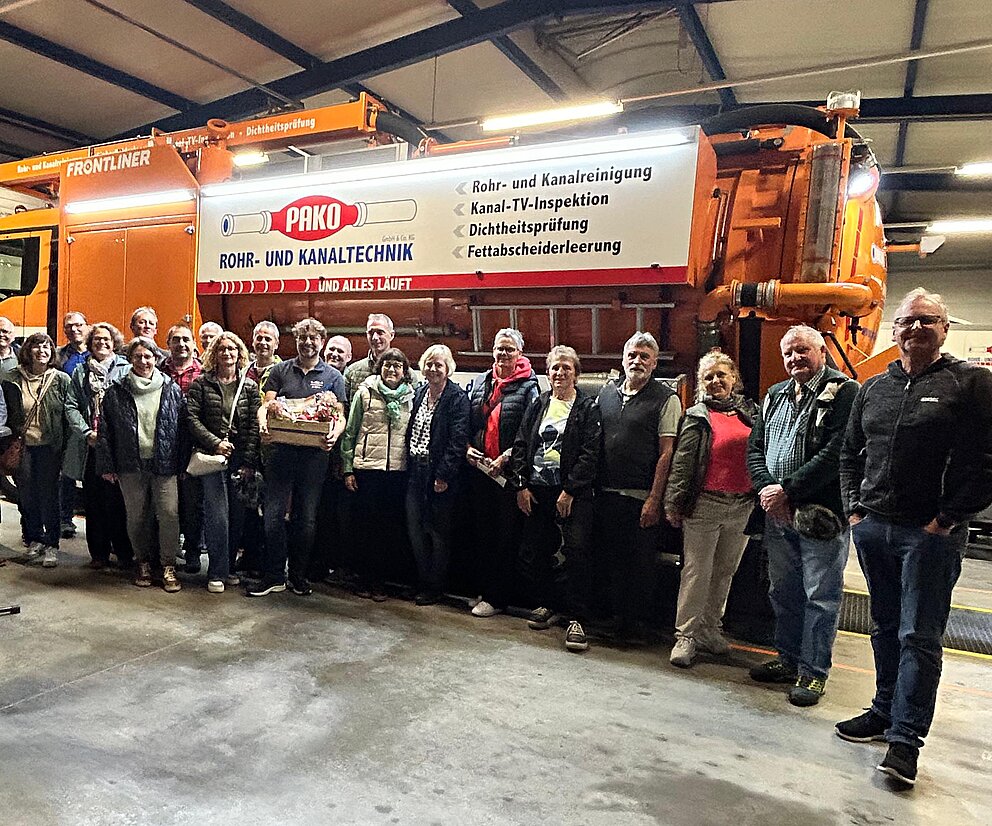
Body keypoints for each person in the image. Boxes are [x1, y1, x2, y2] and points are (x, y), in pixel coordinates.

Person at [836, 289, 992, 787]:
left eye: (928, 321)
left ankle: (906, 741)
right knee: (883, 627)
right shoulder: (874, 388)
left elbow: (988, 459)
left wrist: (947, 517)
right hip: (874, 526)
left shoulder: (969, 384)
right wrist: (854, 510)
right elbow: (850, 453)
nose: (915, 328)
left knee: (918, 636)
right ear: (895, 330)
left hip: (929, 534)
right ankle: (883, 712)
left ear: (945, 328)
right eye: (907, 321)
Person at [746, 325, 859, 706]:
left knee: (820, 597)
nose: (795, 358)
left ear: (822, 352)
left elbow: (836, 453)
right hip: (777, 514)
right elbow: (756, 447)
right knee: (784, 591)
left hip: (819, 516)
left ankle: (813, 673)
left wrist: (787, 491)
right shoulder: (775, 394)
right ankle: (788, 658)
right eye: (789, 353)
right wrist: (767, 490)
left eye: (803, 351)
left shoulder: (844, 392)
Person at [664, 352, 757, 667]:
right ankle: (686, 636)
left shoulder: (750, 413)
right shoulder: (696, 416)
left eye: (721, 375)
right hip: (705, 504)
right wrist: (673, 503)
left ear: (733, 378)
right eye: (708, 377)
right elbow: (682, 463)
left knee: (723, 572)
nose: (716, 381)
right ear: (701, 383)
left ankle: (709, 628)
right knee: (696, 572)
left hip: (742, 504)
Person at [509, 346, 600, 652]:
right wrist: (520, 485)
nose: (559, 373)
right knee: (536, 550)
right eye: (554, 368)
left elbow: (590, 453)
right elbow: (521, 443)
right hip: (537, 490)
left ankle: (577, 618)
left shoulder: (587, 407)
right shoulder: (538, 404)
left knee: (577, 552)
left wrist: (571, 489)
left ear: (576, 373)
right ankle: (548, 603)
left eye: (566, 368)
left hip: (572, 492)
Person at [595, 332, 681, 643]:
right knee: (610, 561)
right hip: (605, 494)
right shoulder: (606, 395)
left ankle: (637, 627)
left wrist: (655, 499)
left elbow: (667, 452)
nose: (637, 361)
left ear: (655, 362)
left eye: (645, 356)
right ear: (622, 358)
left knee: (640, 565)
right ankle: (614, 621)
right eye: (632, 354)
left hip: (640, 497)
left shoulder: (666, 399)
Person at [250, 317, 345, 597]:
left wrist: (334, 435)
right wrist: (263, 425)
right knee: (273, 515)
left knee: (306, 520)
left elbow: (339, 415)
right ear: (296, 341)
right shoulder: (281, 371)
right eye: (302, 338)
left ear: (321, 342)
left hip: (314, 458)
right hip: (281, 453)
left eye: (313, 338)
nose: (307, 343)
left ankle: (298, 576)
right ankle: (274, 575)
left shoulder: (333, 377)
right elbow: (266, 406)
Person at [96, 337, 184, 592]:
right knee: (137, 516)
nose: (144, 361)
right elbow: (105, 432)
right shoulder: (116, 391)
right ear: (130, 360)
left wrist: (180, 465)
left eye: (148, 357)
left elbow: (180, 430)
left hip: (164, 464)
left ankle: (168, 565)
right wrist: (107, 465)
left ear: (156, 359)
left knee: (168, 514)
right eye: (138, 357)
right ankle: (143, 562)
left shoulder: (171, 389)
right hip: (129, 464)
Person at [465, 328, 539, 617]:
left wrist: (506, 457)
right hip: (480, 471)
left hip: (508, 475)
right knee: (482, 533)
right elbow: (470, 422)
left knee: (504, 538)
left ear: (519, 353)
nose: (504, 354)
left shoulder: (528, 387)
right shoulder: (482, 382)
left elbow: (529, 431)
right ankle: (484, 590)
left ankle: (498, 598)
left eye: (510, 349)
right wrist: (467, 448)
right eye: (499, 348)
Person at [186, 332, 260, 594]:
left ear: (240, 354)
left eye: (232, 350)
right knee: (217, 515)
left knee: (236, 516)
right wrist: (215, 442)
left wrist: (248, 461)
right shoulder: (201, 384)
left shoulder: (249, 387)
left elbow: (254, 425)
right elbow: (192, 419)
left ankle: (228, 568)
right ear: (214, 354)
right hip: (212, 458)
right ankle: (216, 572)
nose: (227, 354)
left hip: (239, 459)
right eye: (222, 349)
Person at [341, 348, 415, 600]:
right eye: (387, 365)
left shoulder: (411, 397)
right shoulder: (365, 393)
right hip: (367, 469)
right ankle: (364, 579)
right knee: (365, 527)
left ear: (405, 372)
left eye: (397, 366)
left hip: (397, 471)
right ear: (379, 368)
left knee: (389, 528)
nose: (392, 370)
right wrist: (347, 468)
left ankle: (382, 582)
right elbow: (350, 432)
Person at [63, 323, 134, 569]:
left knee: (120, 501)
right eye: (96, 340)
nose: (102, 344)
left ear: (114, 343)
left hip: (117, 447)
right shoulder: (81, 372)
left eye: (106, 340)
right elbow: (70, 405)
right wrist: (86, 432)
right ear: (90, 344)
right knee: (94, 501)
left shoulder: (126, 370)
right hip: (90, 447)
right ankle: (99, 554)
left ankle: (125, 553)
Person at [405, 345, 469, 605]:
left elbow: (457, 440)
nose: (433, 369)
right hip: (415, 470)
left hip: (440, 474)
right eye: (429, 364)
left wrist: (443, 475)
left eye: (438, 365)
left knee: (438, 534)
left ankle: (435, 586)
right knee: (415, 528)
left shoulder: (456, 398)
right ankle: (422, 581)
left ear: (448, 369)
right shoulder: (419, 393)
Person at [1, 333, 70, 567]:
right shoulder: (11, 378)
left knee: (49, 495)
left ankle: (52, 543)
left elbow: (67, 416)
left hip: (50, 446)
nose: (42, 350)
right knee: (27, 495)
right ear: (28, 351)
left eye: (47, 347)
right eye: (37, 346)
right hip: (23, 446)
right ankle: (34, 539)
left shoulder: (61, 379)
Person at [311, 332, 354, 583]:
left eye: (341, 351)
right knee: (316, 513)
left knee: (337, 516)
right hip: (313, 457)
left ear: (349, 357)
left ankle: (336, 565)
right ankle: (316, 564)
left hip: (341, 459)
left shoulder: (346, 378)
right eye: (332, 349)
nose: (335, 354)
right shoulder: (317, 376)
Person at [162, 324, 204, 573]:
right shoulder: (157, 372)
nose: (181, 344)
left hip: (192, 445)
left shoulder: (203, 373)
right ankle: (166, 549)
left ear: (193, 343)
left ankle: (193, 551)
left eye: (186, 339)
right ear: (168, 343)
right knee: (166, 503)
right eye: (176, 339)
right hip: (165, 446)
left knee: (192, 503)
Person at [57, 311, 89, 538]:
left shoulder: (98, 352)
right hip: (67, 425)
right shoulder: (59, 357)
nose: (74, 330)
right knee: (66, 475)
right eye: (69, 327)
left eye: (78, 325)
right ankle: (64, 520)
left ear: (87, 326)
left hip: (94, 425)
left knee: (93, 476)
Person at [344, 313, 395, 400]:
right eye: (371, 333)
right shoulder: (352, 372)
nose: (375, 337)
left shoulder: (405, 373)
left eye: (380, 332)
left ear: (392, 335)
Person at [246, 320, 282, 398]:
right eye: (259, 338)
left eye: (267, 339)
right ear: (253, 342)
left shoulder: (284, 372)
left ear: (276, 344)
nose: (262, 342)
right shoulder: (244, 373)